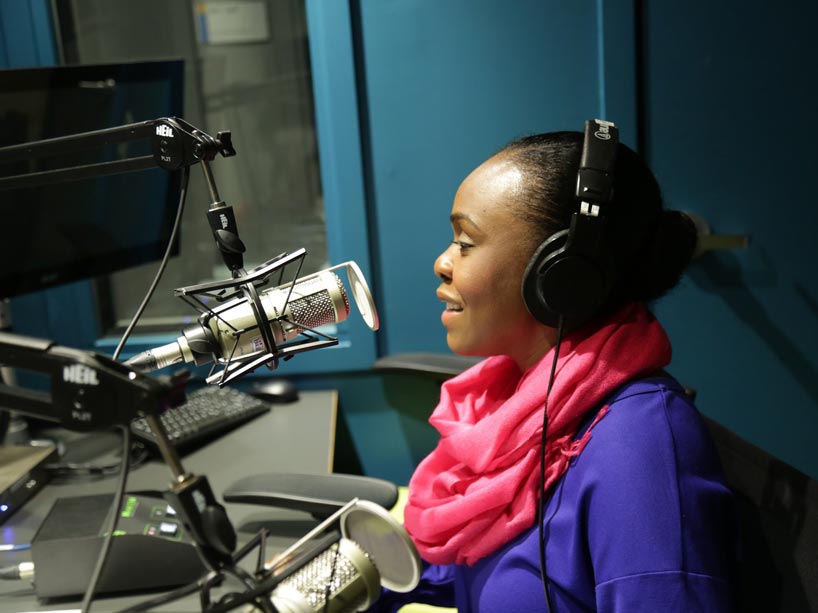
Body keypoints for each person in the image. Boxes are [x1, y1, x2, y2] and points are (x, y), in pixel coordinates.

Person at [368, 125, 736, 612]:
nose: (442, 262)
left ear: (560, 275)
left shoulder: (640, 450)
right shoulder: (510, 407)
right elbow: (464, 567)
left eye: (466, 241)